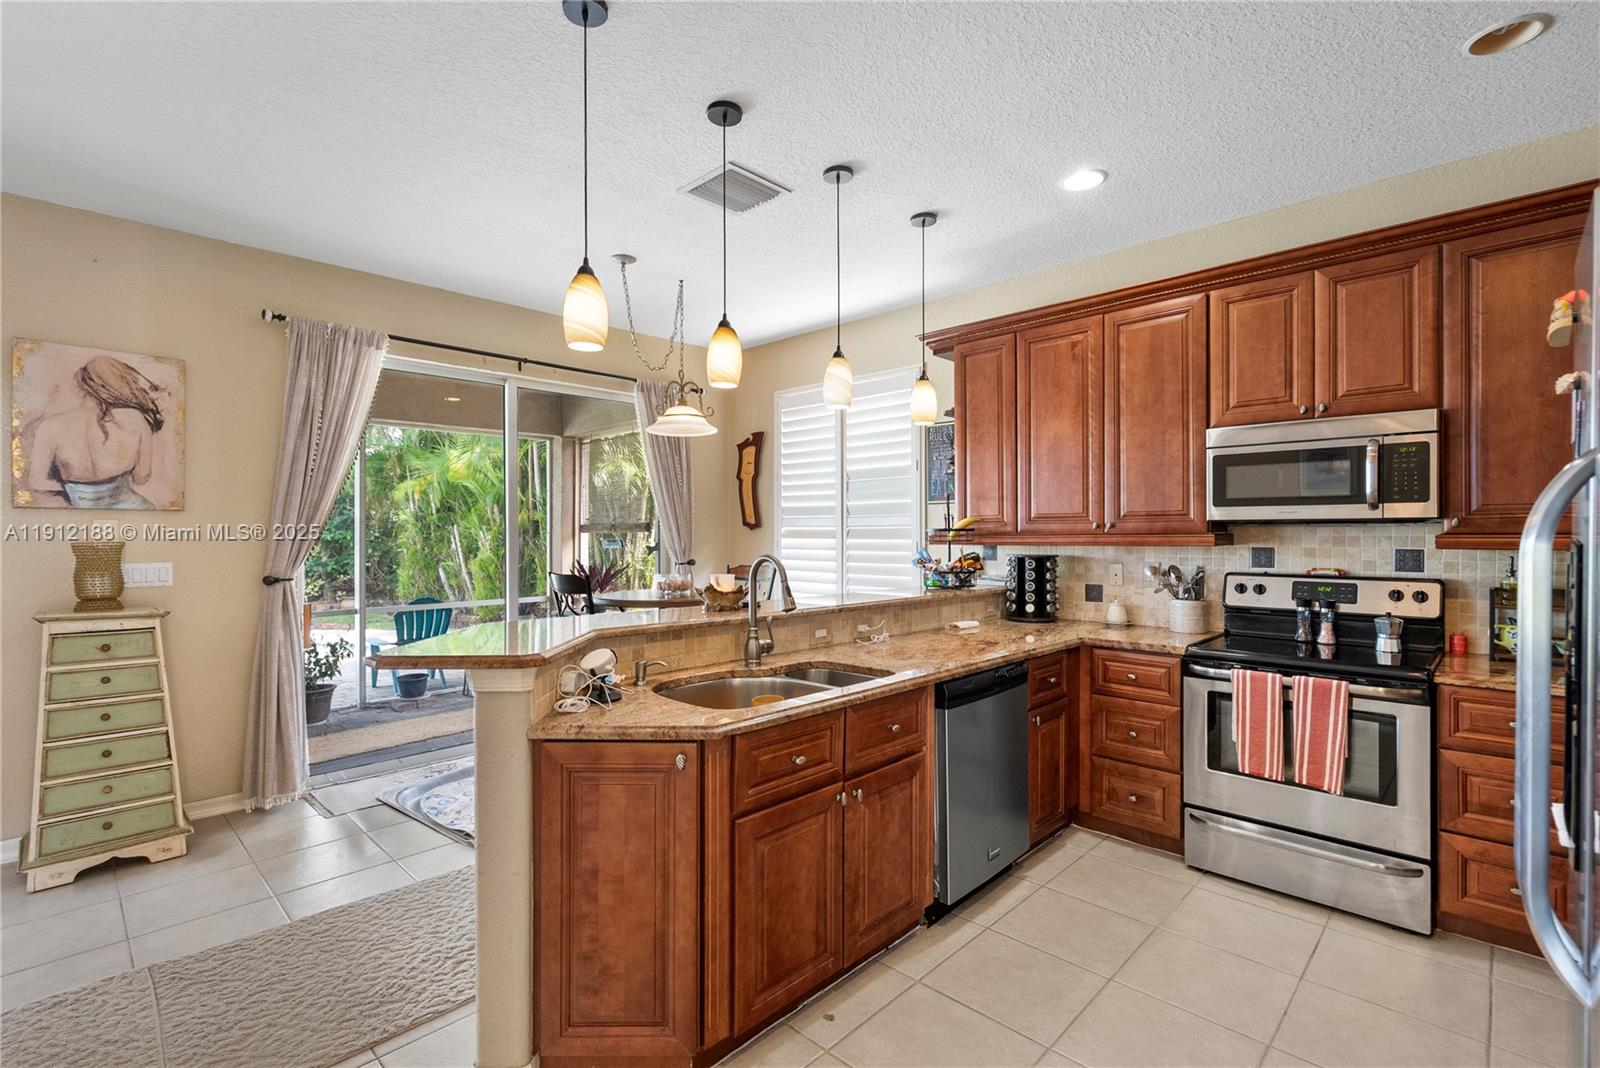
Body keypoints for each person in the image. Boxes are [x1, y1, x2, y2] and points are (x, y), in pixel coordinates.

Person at [21, 355, 169, 508]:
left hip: (77, 509)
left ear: (81, 384)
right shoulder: (135, 419)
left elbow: (37, 481)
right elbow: (141, 477)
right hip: (132, 509)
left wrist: (75, 496)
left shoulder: (52, 425)